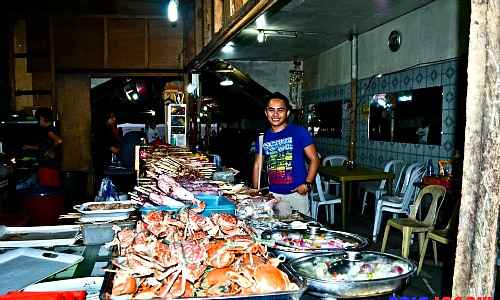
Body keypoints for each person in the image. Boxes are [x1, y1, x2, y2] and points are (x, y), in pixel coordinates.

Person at [252, 92, 320, 217]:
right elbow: (257, 165)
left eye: (280, 110)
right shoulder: (262, 137)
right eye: (271, 110)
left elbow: (314, 159)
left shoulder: (299, 132)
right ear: (266, 113)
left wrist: (307, 184)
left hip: (297, 195)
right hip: (273, 195)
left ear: (287, 112)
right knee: (276, 232)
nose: (276, 114)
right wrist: (256, 192)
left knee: (300, 232)